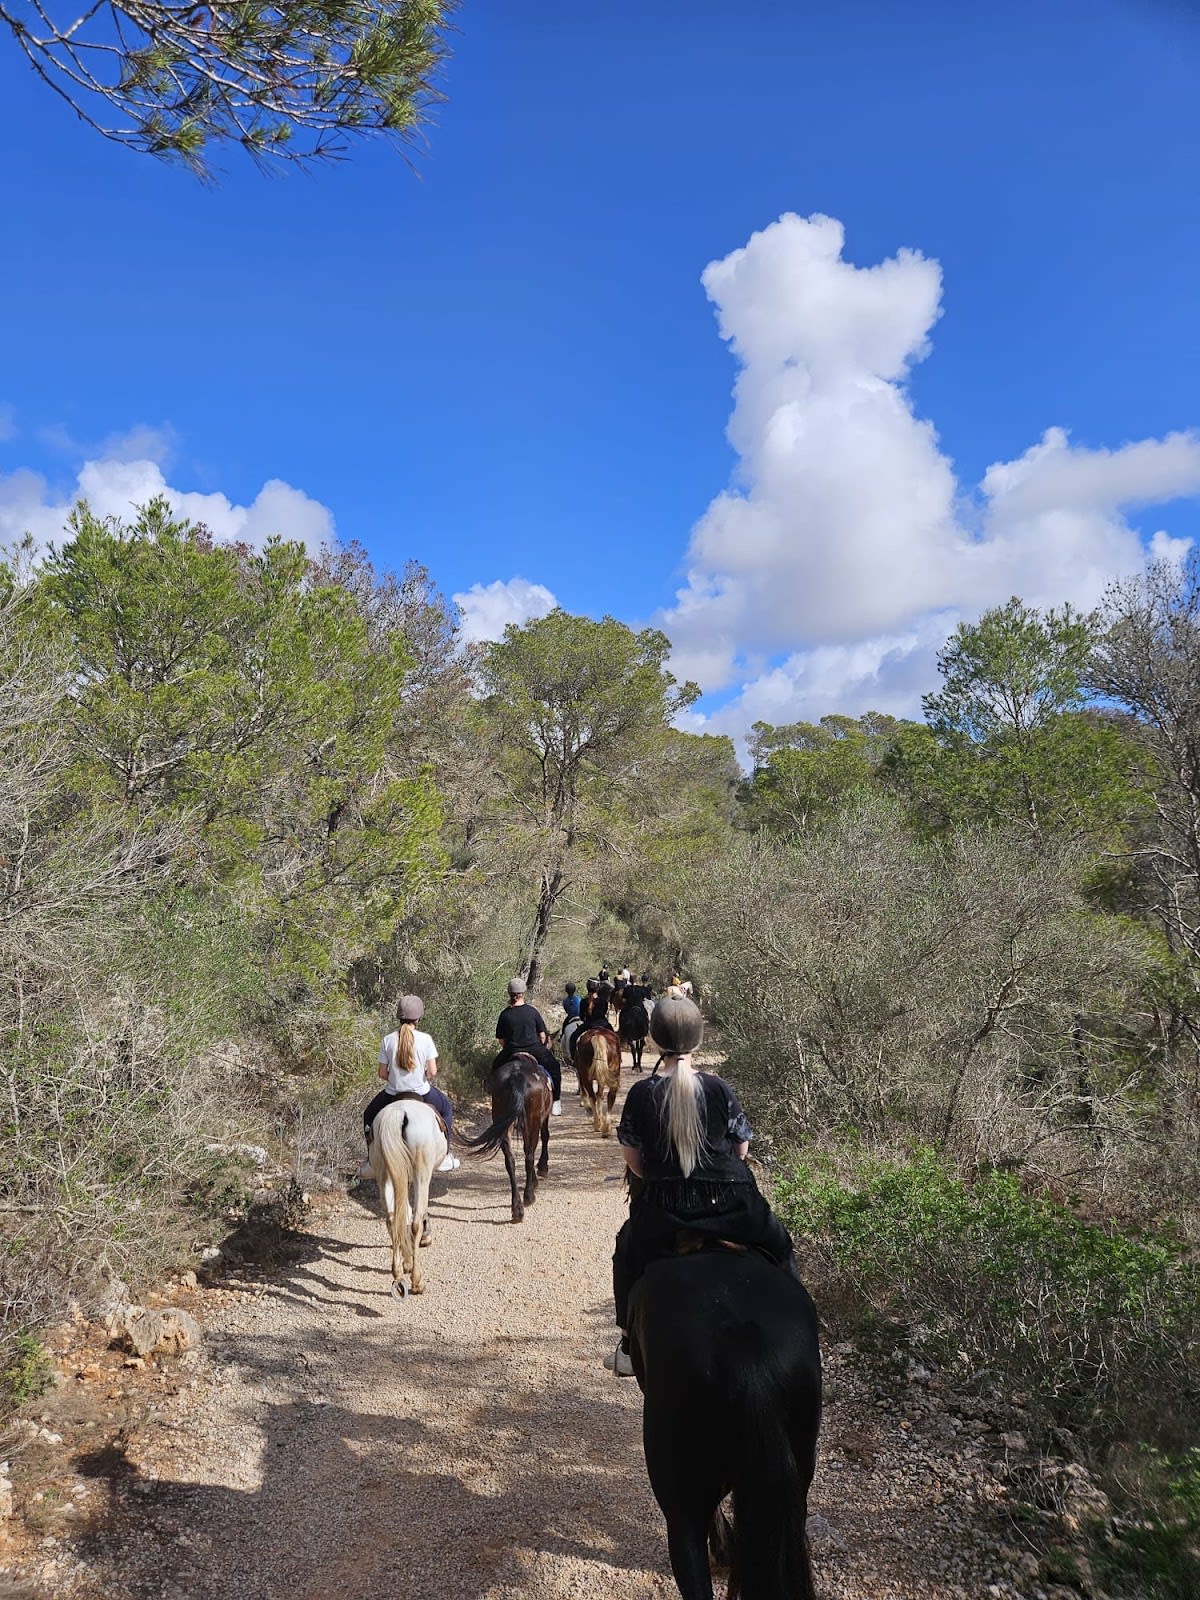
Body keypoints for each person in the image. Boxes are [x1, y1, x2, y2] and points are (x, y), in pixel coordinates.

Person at [605, 995, 795, 1376]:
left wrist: (664, 1177)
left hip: (664, 1205)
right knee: (781, 1245)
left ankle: (627, 1341)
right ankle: (798, 1320)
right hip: (732, 1199)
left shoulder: (643, 1093)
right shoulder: (718, 1087)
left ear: (656, 1039)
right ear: (698, 1040)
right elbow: (741, 1148)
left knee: (626, 1254)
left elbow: (634, 1161)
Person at [362, 995, 459, 1175]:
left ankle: (370, 1161)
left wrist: (397, 1078)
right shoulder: (426, 1039)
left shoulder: (387, 1040)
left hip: (392, 1093)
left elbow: (382, 1073)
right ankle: (445, 1155)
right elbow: (432, 1072)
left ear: (399, 1016)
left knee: (368, 1115)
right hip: (421, 1092)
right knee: (446, 1109)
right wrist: (418, 1076)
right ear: (418, 1017)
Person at [493, 977, 562, 1114]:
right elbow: (542, 1036)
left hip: (511, 1050)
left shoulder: (505, 1014)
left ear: (509, 993)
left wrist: (510, 1047)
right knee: (555, 1068)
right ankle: (556, 1102)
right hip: (534, 1049)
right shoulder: (532, 1011)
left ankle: (496, 1100)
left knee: (495, 1069)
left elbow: (501, 1041)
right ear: (523, 993)